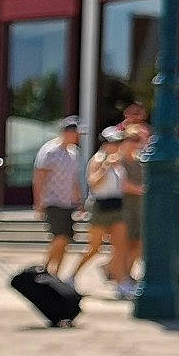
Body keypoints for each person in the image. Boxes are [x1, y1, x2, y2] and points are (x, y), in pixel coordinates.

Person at [74, 127, 131, 291]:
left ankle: (121, 282)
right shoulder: (98, 159)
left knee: (120, 246)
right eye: (114, 142)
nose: (117, 145)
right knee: (95, 247)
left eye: (119, 142)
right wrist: (106, 165)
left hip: (116, 205)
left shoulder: (119, 162)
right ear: (105, 144)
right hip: (100, 206)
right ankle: (72, 275)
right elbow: (93, 182)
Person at [33, 116, 84, 277]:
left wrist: (79, 201)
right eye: (76, 133)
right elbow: (39, 178)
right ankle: (45, 268)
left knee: (66, 240)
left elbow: (73, 179)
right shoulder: (50, 151)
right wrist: (38, 203)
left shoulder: (74, 153)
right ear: (67, 132)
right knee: (59, 237)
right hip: (52, 201)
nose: (78, 136)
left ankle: (55, 274)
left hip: (67, 202)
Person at [119, 104, 147, 295]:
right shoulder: (118, 159)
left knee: (138, 243)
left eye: (138, 140)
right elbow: (122, 184)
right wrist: (142, 190)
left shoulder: (140, 160)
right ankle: (122, 278)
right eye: (132, 139)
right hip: (123, 207)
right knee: (125, 244)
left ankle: (127, 275)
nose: (136, 143)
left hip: (138, 208)